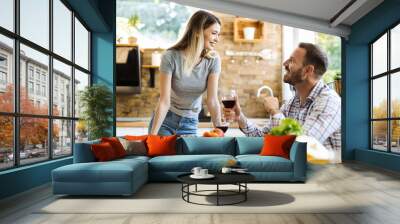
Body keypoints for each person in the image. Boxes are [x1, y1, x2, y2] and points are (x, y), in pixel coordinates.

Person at [224, 43, 341, 162]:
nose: (284, 63)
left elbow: (303, 145)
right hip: (301, 172)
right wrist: (239, 117)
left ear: (308, 70)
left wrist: (275, 112)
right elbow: (263, 136)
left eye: (291, 61)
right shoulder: (292, 103)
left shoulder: (329, 101)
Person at [149, 10, 222, 136]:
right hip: (166, 120)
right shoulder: (170, 57)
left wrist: (220, 132)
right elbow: (164, 101)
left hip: (190, 122)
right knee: (161, 155)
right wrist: (152, 136)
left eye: (218, 34)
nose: (217, 39)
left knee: (187, 156)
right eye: (214, 33)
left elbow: (212, 101)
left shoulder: (213, 60)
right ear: (198, 32)